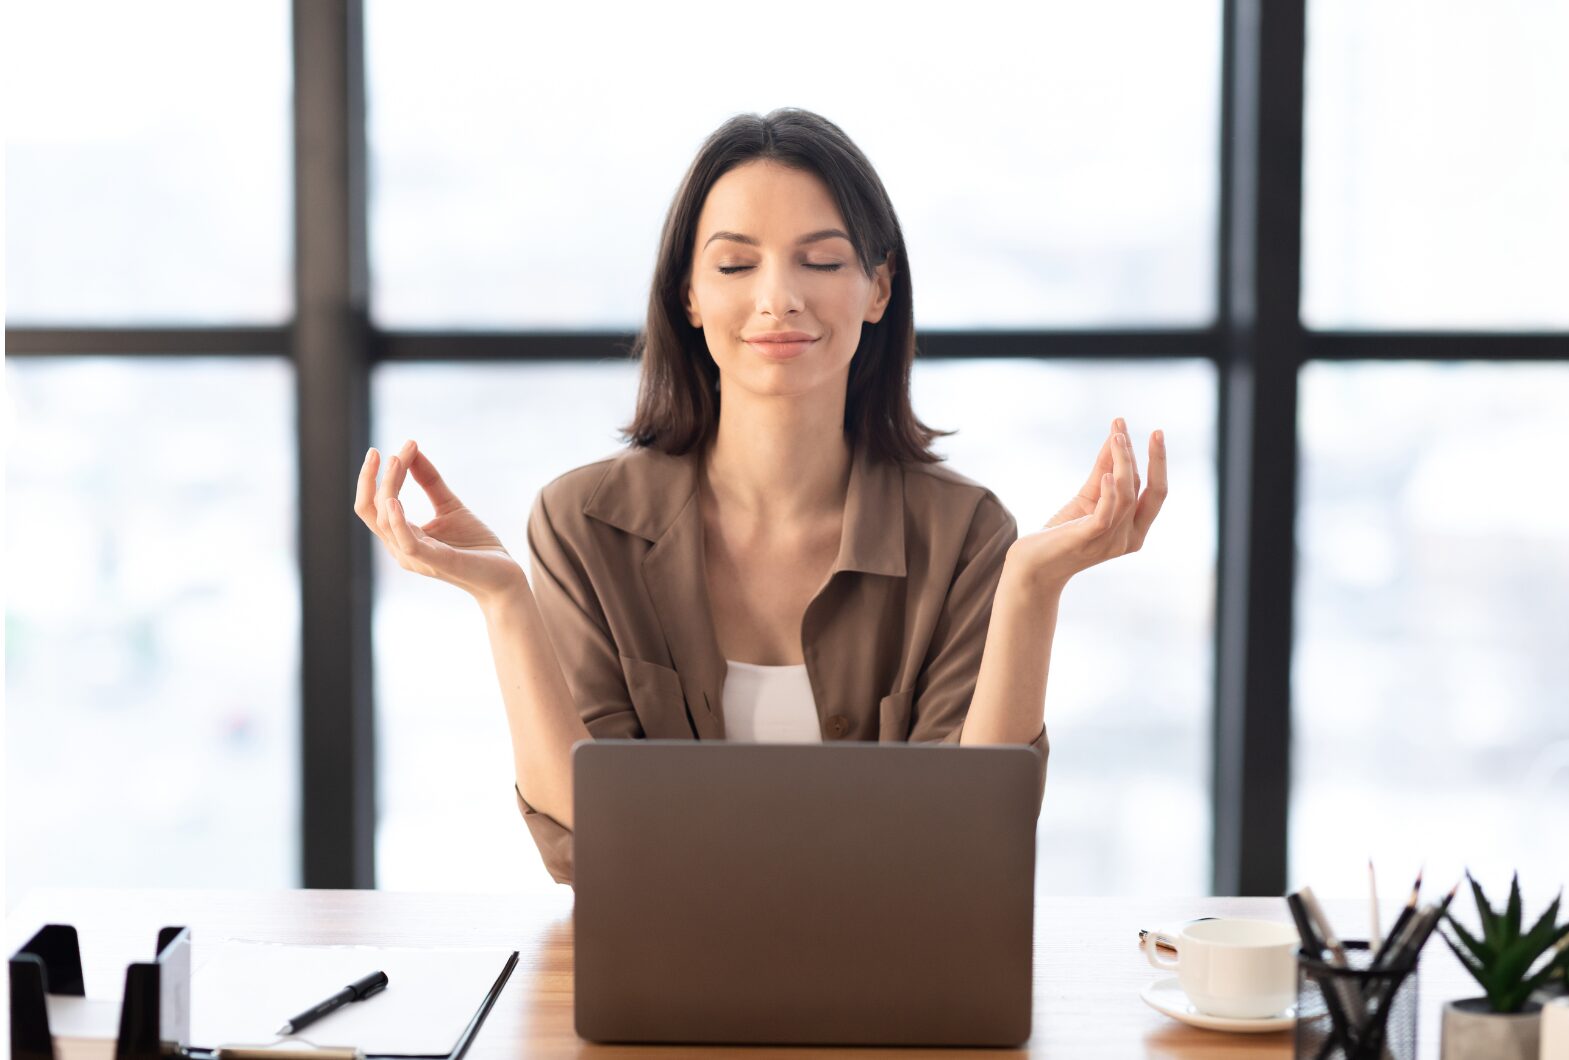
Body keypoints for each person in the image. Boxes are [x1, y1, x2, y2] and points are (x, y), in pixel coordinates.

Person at [352, 108, 1166, 887]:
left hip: (893, 993)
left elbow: (969, 845)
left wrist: (1033, 586)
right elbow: (591, 836)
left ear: (878, 290)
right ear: (690, 297)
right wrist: (504, 600)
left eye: (822, 260)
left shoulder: (967, 533)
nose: (779, 297)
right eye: (737, 265)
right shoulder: (583, 524)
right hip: (663, 980)